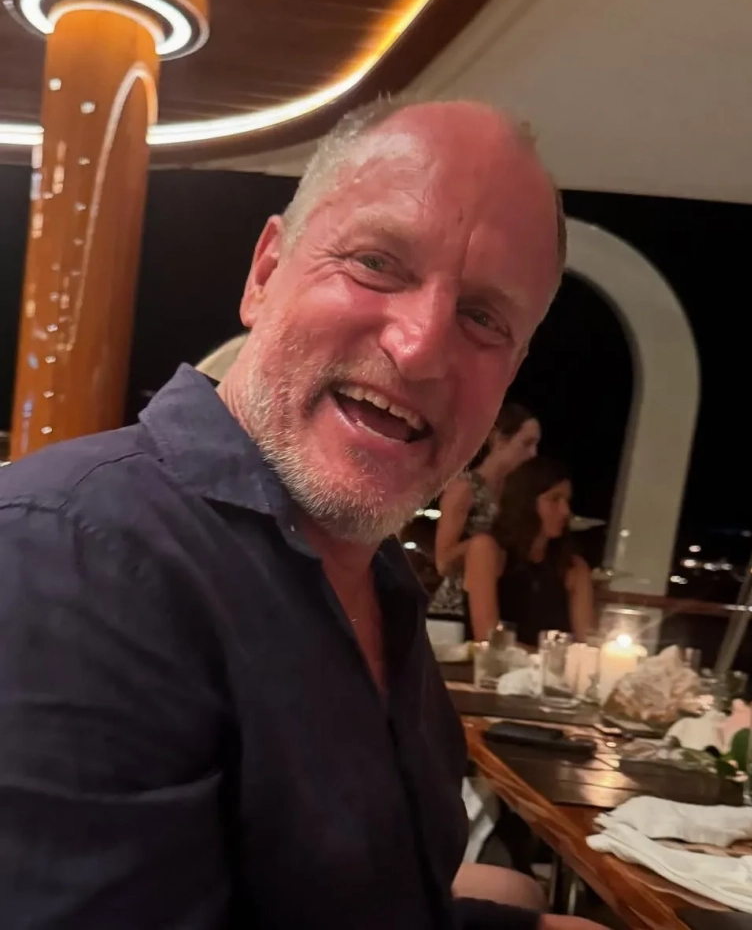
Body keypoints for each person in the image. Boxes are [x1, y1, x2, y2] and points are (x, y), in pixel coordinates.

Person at [0, 99, 604, 930]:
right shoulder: (71, 557)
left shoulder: (380, 576)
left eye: (482, 317)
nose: (421, 347)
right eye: (376, 263)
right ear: (265, 272)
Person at [429, 403, 540, 632]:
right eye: (527, 443)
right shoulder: (465, 488)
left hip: (497, 598)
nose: (533, 454)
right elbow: (443, 562)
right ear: (499, 440)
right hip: (456, 609)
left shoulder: (514, 493)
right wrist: (486, 543)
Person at [465, 457, 595, 646]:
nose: (565, 511)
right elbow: (488, 639)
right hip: (495, 665)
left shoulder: (574, 567)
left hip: (552, 665)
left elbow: (586, 645)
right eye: (554, 499)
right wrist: (549, 656)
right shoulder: (487, 549)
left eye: (567, 501)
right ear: (526, 500)